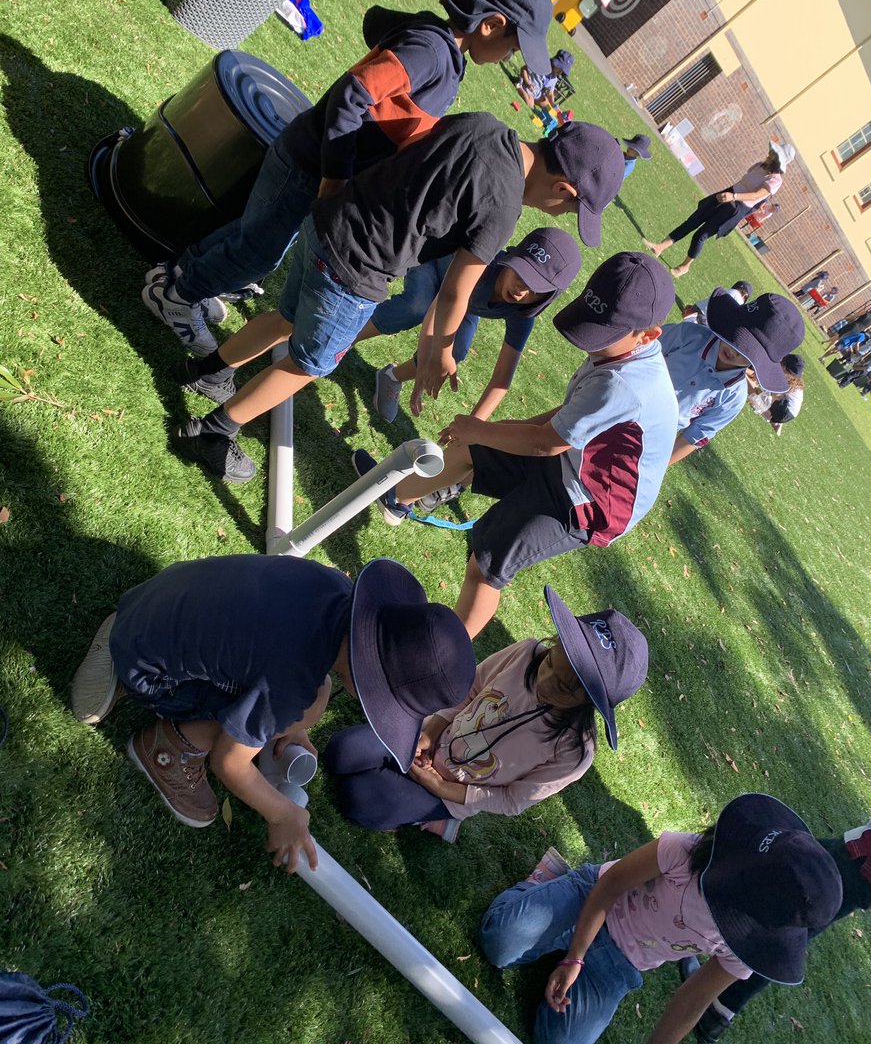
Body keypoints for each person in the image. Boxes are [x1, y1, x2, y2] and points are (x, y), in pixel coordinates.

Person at [169, 117, 625, 484]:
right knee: (309, 364)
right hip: (358, 270)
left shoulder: (484, 126)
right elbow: (457, 289)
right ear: (564, 188)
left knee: (287, 317)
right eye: (569, 209)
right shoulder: (504, 208)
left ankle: (207, 371)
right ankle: (214, 431)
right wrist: (441, 353)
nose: (560, 213)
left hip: (327, 224)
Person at [142, 0, 553, 355]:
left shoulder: (440, 49)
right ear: (492, 24)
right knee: (259, 251)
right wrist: (334, 178)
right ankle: (177, 296)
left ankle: (186, 276)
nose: (511, 57)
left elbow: (377, 27)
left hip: (313, 161)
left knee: (256, 233)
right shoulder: (432, 53)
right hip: (310, 165)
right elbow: (354, 93)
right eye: (514, 46)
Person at [69, 555, 475, 873]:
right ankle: (168, 748)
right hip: (151, 669)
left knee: (319, 693)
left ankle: (125, 636)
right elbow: (229, 763)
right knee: (290, 706)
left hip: (153, 601)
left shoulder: (336, 589)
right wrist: (285, 814)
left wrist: (288, 725)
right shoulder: (290, 680)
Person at [354, 251, 677, 639]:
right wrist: (495, 432)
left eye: (603, 334)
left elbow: (546, 444)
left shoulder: (625, 383)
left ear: (648, 336)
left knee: (487, 562)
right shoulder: (618, 359)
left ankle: (436, 658)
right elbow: (566, 417)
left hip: (589, 502)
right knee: (474, 452)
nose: (592, 342)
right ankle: (396, 498)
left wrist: (479, 428)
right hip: (571, 457)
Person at [478, 793, 842, 1044]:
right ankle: (544, 885)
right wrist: (575, 956)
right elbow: (611, 885)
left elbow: (692, 1001)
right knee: (498, 942)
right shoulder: (686, 852)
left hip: (621, 963)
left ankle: (559, 946)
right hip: (594, 898)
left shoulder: (750, 946)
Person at [323, 586, 647, 843]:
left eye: (564, 687)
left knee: (358, 801)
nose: (546, 683)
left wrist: (440, 788)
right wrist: (429, 732)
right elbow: (470, 689)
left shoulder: (574, 752)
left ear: (589, 702)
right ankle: (410, 789)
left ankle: (437, 816)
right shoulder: (525, 653)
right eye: (550, 662)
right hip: (432, 740)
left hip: (453, 795)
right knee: (342, 752)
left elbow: (512, 800)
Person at [678, 797, 871, 1042]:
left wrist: (867, 854)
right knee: (795, 912)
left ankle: (714, 1006)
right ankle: (718, 1009)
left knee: (790, 914)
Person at [360, 227, 582, 430]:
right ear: (511, 258)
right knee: (415, 306)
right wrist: (427, 364)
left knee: (456, 350)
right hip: (433, 264)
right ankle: (345, 340)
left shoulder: (522, 314)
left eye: (536, 289)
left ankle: (392, 377)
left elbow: (502, 378)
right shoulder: (483, 265)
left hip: (460, 300)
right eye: (521, 274)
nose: (521, 290)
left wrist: (474, 427)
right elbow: (440, 306)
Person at [661, 290, 805, 465]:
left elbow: (697, 434)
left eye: (747, 351)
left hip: (649, 437)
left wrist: (657, 468)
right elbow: (637, 350)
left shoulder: (734, 397)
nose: (734, 351)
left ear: (759, 363)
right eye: (736, 337)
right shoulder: (689, 335)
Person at [643, 140, 795, 278]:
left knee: (700, 235)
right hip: (728, 193)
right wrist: (730, 193)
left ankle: (685, 266)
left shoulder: (776, 180)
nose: (769, 154)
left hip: (736, 206)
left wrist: (734, 197)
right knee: (693, 221)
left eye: (773, 154)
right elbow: (745, 181)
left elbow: (757, 195)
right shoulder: (760, 165)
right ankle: (660, 247)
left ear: (778, 161)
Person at [747, 354, 804, 436]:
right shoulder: (793, 380)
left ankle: (774, 418)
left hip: (784, 410)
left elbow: (755, 377)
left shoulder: (783, 378)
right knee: (756, 389)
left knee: (751, 390)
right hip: (788, 412)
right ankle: (776, 421)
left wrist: (764, 410)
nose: (789, 376)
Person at [681, 281, 752, 326]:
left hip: (695, 309)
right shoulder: (739, 299)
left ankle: (689, 314)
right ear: (744, 296)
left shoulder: (725, 290)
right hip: (703, 320)